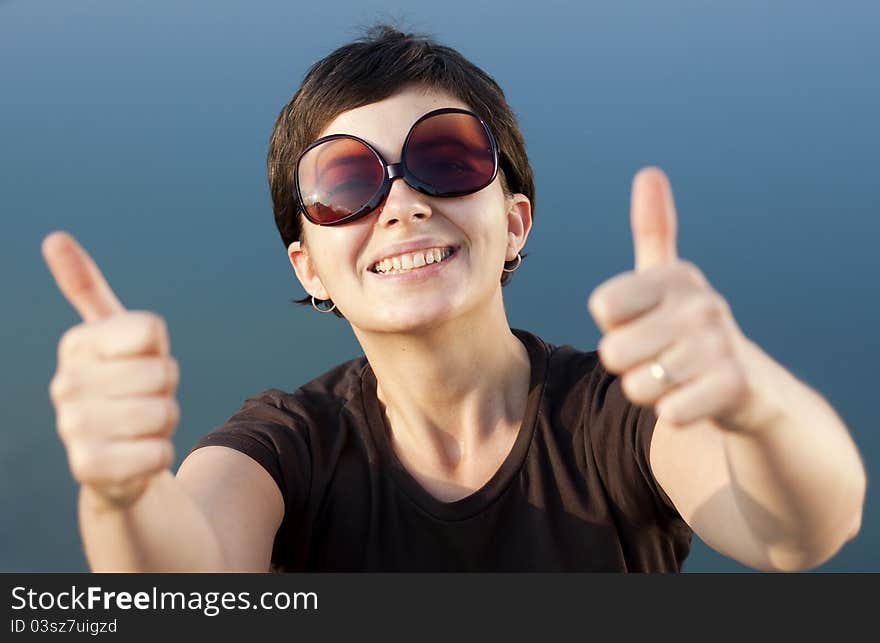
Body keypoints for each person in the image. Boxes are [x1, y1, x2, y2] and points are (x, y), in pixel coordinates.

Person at [42, 26, 866, 572]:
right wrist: (122, 491)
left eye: (446, 157)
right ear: (309, 268)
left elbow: (803, 527)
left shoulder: (619, 415)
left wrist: (752, 399)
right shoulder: (285, 450)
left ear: (513, 223)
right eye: (345, 182)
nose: (402, 204)